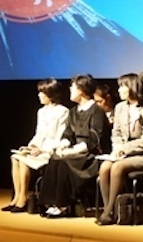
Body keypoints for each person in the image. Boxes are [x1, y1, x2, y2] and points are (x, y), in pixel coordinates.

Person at [38, 74, 109, 218]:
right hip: (75, 152)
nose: (70, 89)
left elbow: (95, 139)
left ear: (81, 90)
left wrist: (73, 151)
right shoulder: (73, 112)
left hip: (90, 155)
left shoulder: (96, 111)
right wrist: (63, 146)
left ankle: (63, 205)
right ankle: (49, 202)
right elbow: (68, 134)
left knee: (64, 162)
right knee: (55, 158)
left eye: (73, 87)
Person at [96, 73, 143, 226]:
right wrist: (117, 147)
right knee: (105, 167)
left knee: (117, 166)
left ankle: (109, 212)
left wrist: (125, 149)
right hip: (122, 152)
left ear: (132, 88)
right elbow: (116, 133)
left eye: (122, 87)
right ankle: (110, 209)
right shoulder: (120, 108)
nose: (119, 90)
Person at [3, 78, 69, 213]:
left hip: (50, 151)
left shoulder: (63, 111)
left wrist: (42, 150)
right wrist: (31, 146)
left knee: (22, 162)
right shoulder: (41, 111)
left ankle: (23, 199)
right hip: (38, 150)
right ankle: (16, 197)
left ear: (51, 94)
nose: (39, 95)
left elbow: (60, 137)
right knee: (15, 157)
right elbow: (38, 134)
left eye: (42, 93)